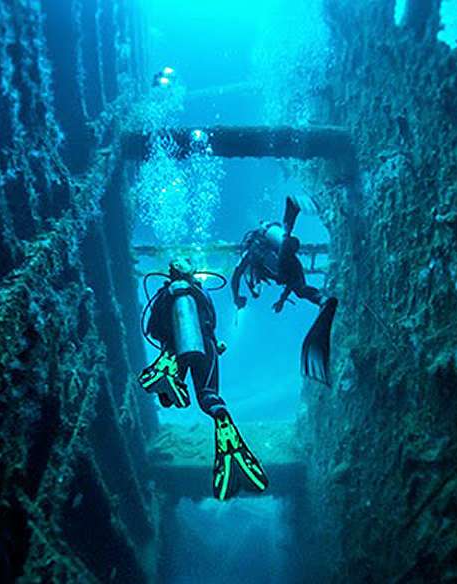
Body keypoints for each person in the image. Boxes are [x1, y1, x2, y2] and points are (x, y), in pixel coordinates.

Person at [139, 258, 269, 500]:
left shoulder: (165, 294)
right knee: (209, 397)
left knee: (166, 399)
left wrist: (170, 340)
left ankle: (165, 373)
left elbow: (152, 329)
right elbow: (211, 321)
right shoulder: (201, 292)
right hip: (206, 346)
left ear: (170, 273)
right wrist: (213, 343)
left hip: (174, 349)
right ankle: (224, 426)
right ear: (193, 273)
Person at [231, 196, 338, 384]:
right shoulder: (263, 250)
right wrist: (281, 299)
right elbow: (289, 281)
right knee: (300, 290)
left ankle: (289, 218)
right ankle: (322, 300)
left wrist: (236, 297)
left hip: (285, 260)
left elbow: (235, 276)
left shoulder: (250, 252)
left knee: (286, 263)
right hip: (291, 263)